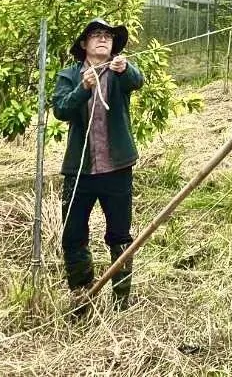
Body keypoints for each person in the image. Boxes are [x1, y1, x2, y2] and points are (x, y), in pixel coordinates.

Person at [51, 18, 144, 312]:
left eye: (108, 36)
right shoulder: (69, 75)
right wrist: (83, 88)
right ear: (84, 43)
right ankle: (82, 298)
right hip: (80, 171)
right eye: (96, 35)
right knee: (73, 235)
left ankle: (120, 301)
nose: (103, 39)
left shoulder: (119, 71)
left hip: (117, 169)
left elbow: (137, 81)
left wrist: (126, 68)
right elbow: (60, 110)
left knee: (120, 235)